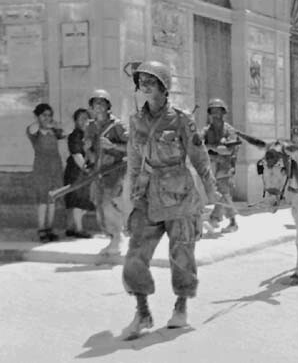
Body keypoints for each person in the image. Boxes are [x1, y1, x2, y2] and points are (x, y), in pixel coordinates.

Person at [122, 60, 220, 339]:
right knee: (135, 255)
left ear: (164, 87)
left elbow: (200, 158)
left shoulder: (181, 119)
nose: (144, 85)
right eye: (141, 81)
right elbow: (133, 161)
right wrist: (132, 200)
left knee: (182, 254)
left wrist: (211, 193)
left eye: (151, 81)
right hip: (147, 196)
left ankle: (181, 305)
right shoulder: (136, 120)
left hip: (179, 195)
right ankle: (142, 311)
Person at [85, 89, 129, 255]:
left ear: (107, 106)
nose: (98, 107)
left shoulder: (117, 126)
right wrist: (88, 152)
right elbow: (89, 149)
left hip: (114, 170)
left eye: (102, 103)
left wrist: (113, 146)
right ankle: (112, 237)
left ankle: (117, 236)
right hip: (98, 171)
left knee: (108, 202)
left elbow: (131, 147)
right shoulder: (90, 126)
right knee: (99, 204)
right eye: (95, 103)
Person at [26, 103, 66, 242]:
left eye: (49, 115)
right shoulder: (34, 131)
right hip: (41, 168)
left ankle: (50, 228)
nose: (47, 118)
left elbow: (63, 132)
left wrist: (53, 125)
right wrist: (42, 122)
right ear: (37, 116)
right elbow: (32, 128)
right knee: (42, 200)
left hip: (55, 167)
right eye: (44, 115)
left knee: (52, 199)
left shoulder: (54, 131)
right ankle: (41, 229)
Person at [202, 98, 240, 234]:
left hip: (226, 165)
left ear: (223, 113)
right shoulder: (207, 130)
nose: (215, 115)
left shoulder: (229, 130)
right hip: (212, 165)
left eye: (218, 112)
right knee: (224, 194)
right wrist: (215, 149)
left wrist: (211, 148)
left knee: (223, 192)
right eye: (213, 112)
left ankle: (215, 219)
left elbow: (228, 150)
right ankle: (233, 222)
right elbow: (199, 146)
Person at [63, 108, 95, 238]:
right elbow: (77, 155)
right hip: (76, 171)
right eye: (81, 118)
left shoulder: (87, 135)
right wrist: (87, 169)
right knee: (77, 200)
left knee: (79, 200)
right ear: (76, 121)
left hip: (84, 170)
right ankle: (79, 229)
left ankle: (70, 228)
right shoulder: (75, 136)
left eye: (87, 118)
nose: (84, 121)